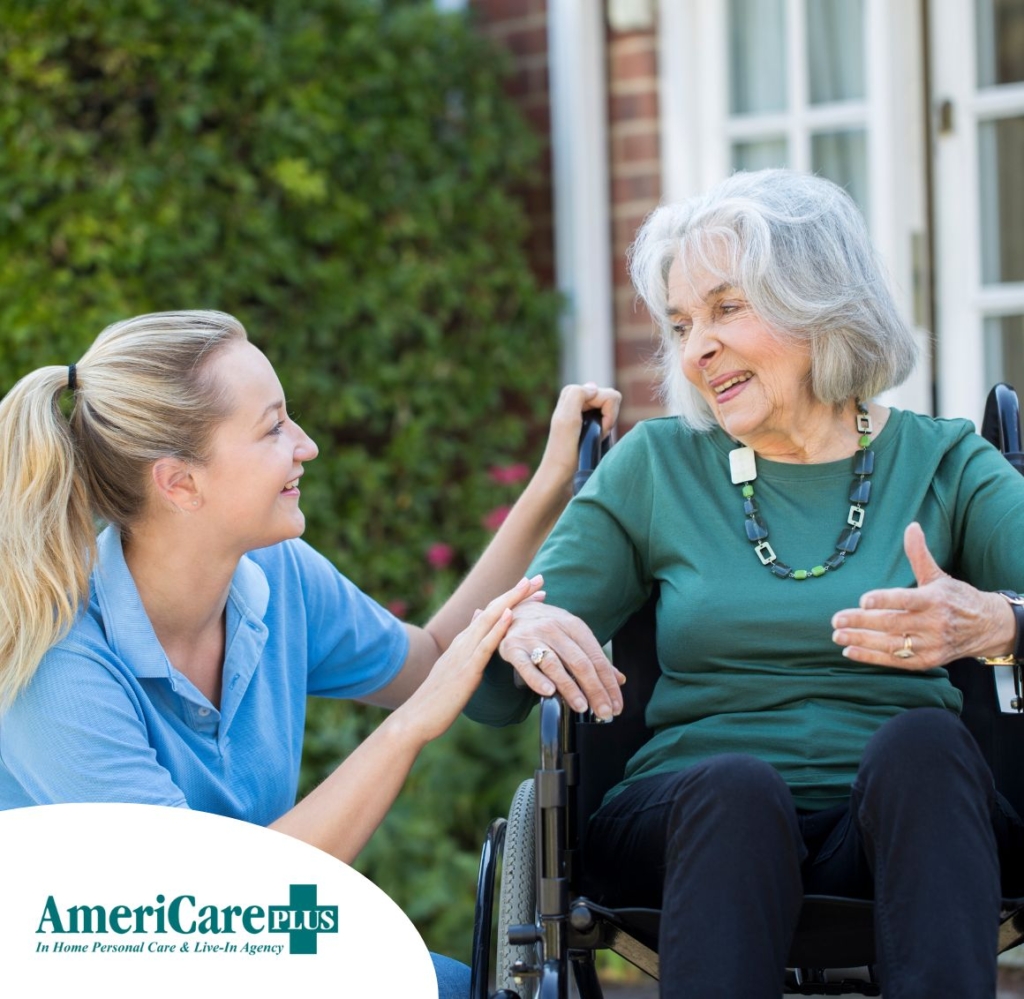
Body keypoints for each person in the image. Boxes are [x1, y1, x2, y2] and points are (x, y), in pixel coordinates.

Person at [465, 169, 1024, 998]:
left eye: (728, 308)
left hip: (903, 830)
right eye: (683, 323)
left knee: (927, 748)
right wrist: (518, 632)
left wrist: (1001, 621)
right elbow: (493, 694)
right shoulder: (656, 467)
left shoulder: (944, 460)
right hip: (688, 823)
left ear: (820, 301)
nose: (696, 350)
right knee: (736, 787)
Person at [0, 309, 620, 998]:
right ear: (180, 483)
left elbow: (432, 654)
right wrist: (412, 724)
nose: (307, 444)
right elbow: (202, 918)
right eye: (273, 427)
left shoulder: (276, 573)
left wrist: (549, 484)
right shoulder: (58, 662)